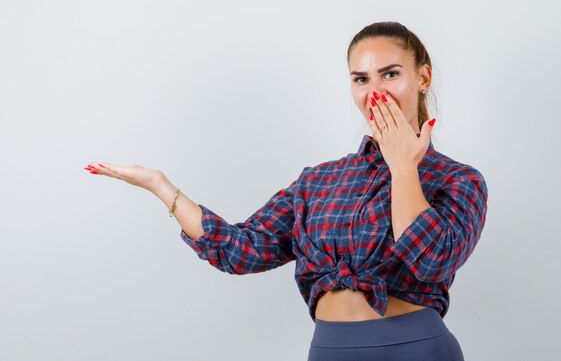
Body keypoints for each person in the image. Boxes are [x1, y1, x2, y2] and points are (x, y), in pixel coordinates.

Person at [84, 21, 488, 361]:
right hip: (329, 349)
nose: (375, 92)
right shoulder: (317, 181)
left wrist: (403, 166)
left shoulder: (458, 180)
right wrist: (161, 186)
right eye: (361, 79)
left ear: (423, 77)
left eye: (391, 74)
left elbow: (432, 260)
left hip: (415, 347)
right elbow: (242, 250)